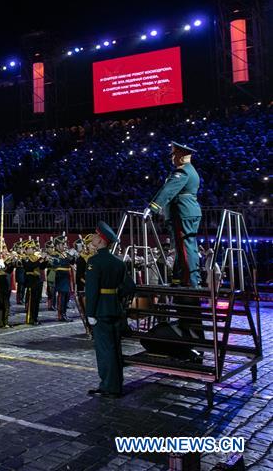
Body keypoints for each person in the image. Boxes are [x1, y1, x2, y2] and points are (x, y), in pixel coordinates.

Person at [85, 221, 133, 398]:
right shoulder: (118, 262)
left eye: (96, 236)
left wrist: (90, 313)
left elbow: (91, 291)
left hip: (100, 311)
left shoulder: (94, 261)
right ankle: (115, 384)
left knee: (105, 351)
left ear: (101, 241)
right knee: (115, 349)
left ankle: (109, 387)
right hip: (115, 309)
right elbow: (129, 286)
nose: (94, 238)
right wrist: (116, 296)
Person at [144, 141, 202, 288]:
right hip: (188, 211)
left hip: (182, 212)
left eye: (174, 154)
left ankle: (191, 281)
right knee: (183, 247)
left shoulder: (182, 171)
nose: (172, 158)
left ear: (181, 156)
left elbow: (168, 190)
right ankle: (180, 278)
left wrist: (152, 207)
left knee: (185, 248)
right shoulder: (192, 171)